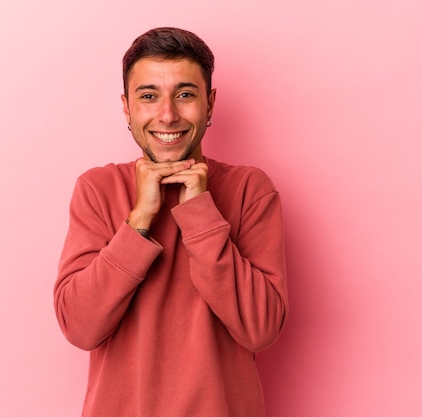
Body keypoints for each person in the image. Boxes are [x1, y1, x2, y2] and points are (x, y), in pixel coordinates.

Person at [54, 27, 288, 417]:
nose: (167, 114)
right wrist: (139, 219)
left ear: (210, 104)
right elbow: (80, 327)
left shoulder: (250, 189)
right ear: (127, 108)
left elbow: (260, 329)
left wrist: (199, 213)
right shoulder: (98, 188)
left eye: (185, 94)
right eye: (149, 96)